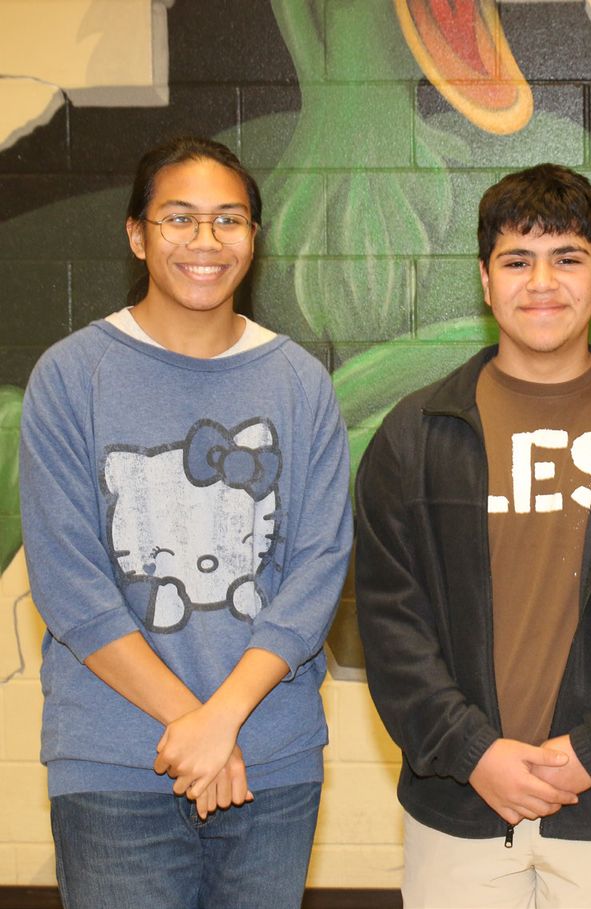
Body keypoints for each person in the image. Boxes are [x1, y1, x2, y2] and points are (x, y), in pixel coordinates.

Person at [354, 163, 591, 908]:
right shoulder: (415, 436)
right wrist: (474, 752)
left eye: (568, 258)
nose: (543, 282)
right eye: (517, 260)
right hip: (461, 804)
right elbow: (393, 626)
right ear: (485, 281)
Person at [19, 136, 353, 909]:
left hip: (271, 758)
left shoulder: (300, 384)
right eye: (179, 218)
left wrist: (226, 718)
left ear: (254, 239)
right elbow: (71, 585)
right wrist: (195, 726)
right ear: (136, 233)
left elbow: (317, 567)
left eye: (228, 220)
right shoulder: (73, 376)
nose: (205, 241)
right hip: (113, 763)